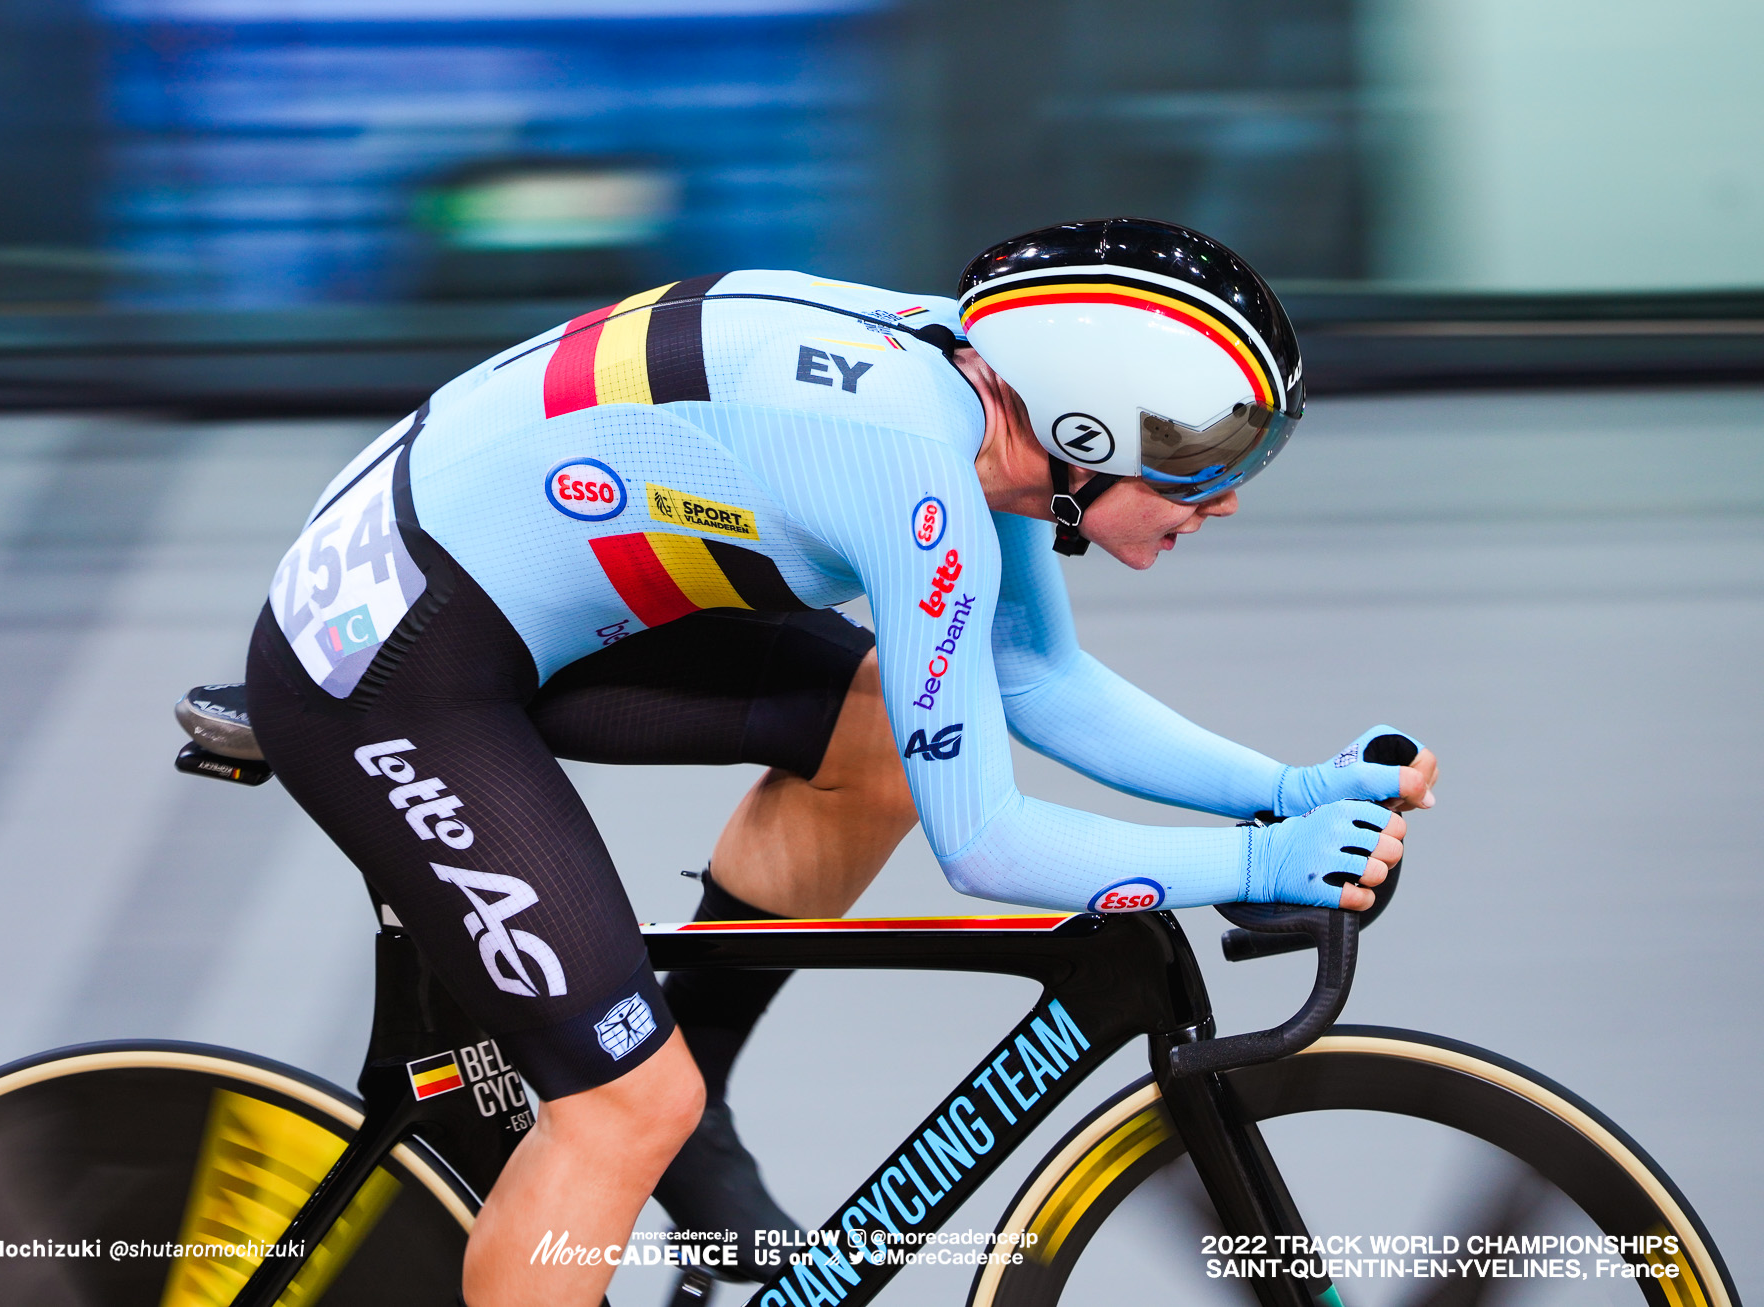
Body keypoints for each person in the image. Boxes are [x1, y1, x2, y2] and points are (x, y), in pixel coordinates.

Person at [242, 217, 1438, 1307]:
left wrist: (1285, 794)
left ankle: (690, 1133)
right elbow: (983, 842)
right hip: (394, 669)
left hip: (499, 587)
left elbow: (1033, 674)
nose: (1222, 499)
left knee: (871, 727)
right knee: (619, 1103)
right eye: (1202, 453)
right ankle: (660, 1115)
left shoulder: (981, 404)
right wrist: (1253, 857)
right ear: (1085, 430)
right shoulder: (913, 472)